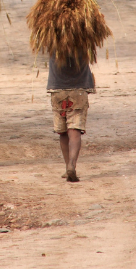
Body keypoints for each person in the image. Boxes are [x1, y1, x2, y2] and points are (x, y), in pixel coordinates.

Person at [48, 54, 94, 182]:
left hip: (57, 91)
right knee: (74, 129)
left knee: (63, 132)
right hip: (78, 91)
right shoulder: (84, 41)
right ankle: (72, 165)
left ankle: (67, 165)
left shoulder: (52, 42)